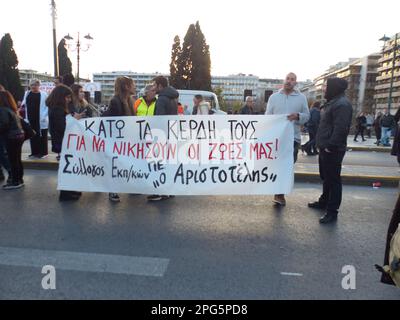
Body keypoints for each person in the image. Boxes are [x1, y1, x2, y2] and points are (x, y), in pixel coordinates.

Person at [309, 78, 353, 224]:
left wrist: (330, 146)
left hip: (332, 149)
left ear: (333, 87)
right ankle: (324, 201)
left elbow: (341, 128)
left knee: (333, 180)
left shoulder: (342, 104)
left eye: (326, 86)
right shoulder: (333, 102)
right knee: (326, 177)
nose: (323, 89)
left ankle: (332, 211)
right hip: (325, 147)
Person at [265, 72, 310, 206]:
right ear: (284, 80)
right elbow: (268, 116)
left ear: (295, 83)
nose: (289, 81)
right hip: (276, 138)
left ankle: (280, 193)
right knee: (278, 165)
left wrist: (298, 116)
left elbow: (307, 116)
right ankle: (279, 194)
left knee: (287, 166)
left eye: (292, 80)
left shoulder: (301, 98)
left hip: (293, 139)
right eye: (287, 79)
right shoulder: (273, 97)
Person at [47, 85, 84, 201]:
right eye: (67, 97)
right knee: (66, 168)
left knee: (68, 167)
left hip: (63, 142)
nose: (69, 100)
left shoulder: (57, 108)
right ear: (61, 97)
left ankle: (69, 190)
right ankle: (65, 193)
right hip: (62, 142)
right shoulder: (57, 109)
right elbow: (62, 127)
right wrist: (75, 120)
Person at [103, 76, 136, 203]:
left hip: (127, 141)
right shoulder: (115, 101)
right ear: (126, 87)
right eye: (132, 84)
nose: (134, 87)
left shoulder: (130, 100)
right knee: (115, 165)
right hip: (117, 141)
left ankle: (130, 186)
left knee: (127, 164)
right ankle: (113, 191)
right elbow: (115, 123)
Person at [149, 76, 178, 201]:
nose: (153, 88)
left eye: (154, 85)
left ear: (160, 86)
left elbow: (159, 120)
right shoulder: (173, 98)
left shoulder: (161, 99)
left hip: (162, 136)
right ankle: (169, 190)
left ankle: (160, 192)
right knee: (168, 164)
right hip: (171, 135)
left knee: (159, 164)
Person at [0, 91, 25, 190]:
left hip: (11, 137)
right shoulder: (12, 109)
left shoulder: (2, 110)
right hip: (18, 136)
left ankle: (15, 182)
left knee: (13, 160)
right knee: (17, 159)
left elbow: (4, 124)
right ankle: (19, 179)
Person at [21, 79, 49, 159]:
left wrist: (44, 116)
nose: (34, 86)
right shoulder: (27, 93)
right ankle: (34, 152)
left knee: (42, 135)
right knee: (32, 135)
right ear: (30, 86)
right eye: (32, 85)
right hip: (30, 118)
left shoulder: (44, 94)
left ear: (39, 86)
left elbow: (47, 106)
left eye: (36, 85)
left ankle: (43, 152)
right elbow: (24, 104)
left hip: (40, 118)